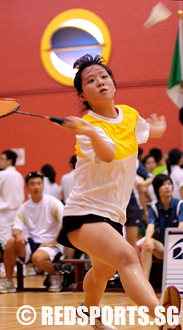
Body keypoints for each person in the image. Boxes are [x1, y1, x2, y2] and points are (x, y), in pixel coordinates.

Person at [55, 54, 180, 330]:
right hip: (84, 213)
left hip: (114, 214)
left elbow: (145, 131)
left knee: (102, 271)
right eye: (90, 80)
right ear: (82, 94)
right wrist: (89, 130)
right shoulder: (87, 127)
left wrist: (158, 128)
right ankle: (164, 318)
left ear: (112, 82)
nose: (99, 82)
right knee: (125, 257)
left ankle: (89, 313)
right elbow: (109, 153)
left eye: (103, 76)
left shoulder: (129, 115)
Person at [0, 171, 64, 294]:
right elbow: (16, 228)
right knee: (11, 241)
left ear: (43, 185)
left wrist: (54, 242)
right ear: (27, 187)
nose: (36, 187)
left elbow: (66, 223)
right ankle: (8, 281)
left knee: (37, 258)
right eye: (33, 184)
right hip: (32, 243)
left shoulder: (53, 203)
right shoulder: (24, 207)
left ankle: (56, 274)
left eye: (39, 183)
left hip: (52, 244)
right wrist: (18, 235)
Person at [141, 174, 183, 280]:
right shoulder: (154, 208)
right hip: (164, 249)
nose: (167, 187)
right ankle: (144, 282)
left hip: (179, 247)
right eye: (163, 185)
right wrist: (147, 239)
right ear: (156, 190)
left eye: (169, 184)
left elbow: (181, 227)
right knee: (147, 243)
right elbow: (150, 226)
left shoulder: (179, 205)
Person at [0, 150, 24, 246]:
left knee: (3, 244)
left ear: (9, 161)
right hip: (18, 214)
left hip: (5, 215)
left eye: (2, 159)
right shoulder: (19, 175)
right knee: (16, 243)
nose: (0, 161)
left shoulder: (2, 174)